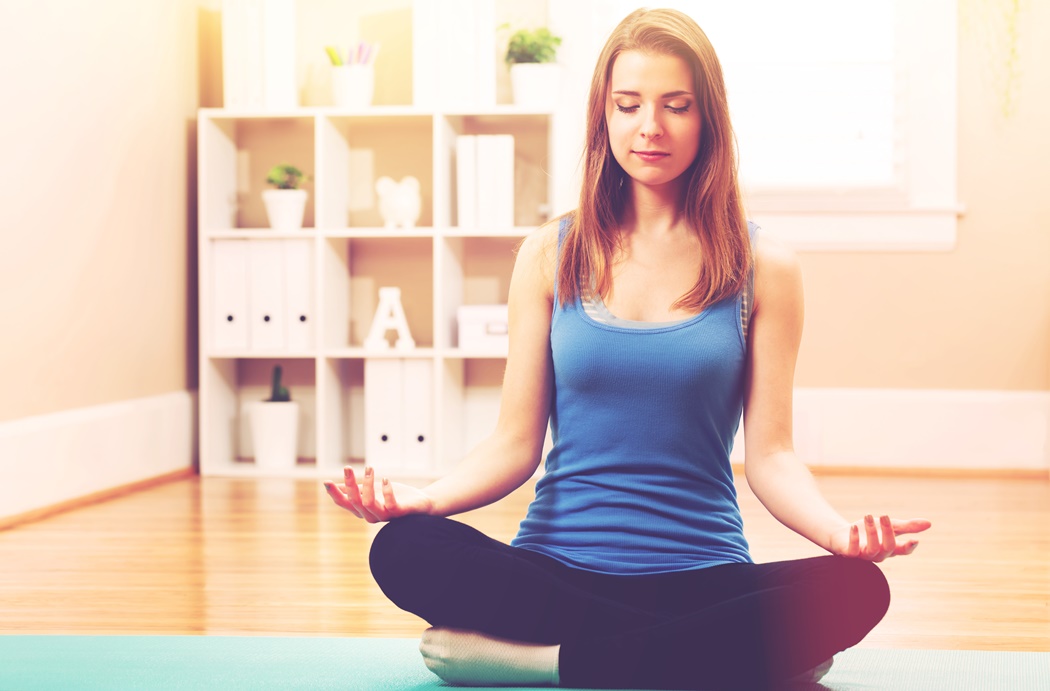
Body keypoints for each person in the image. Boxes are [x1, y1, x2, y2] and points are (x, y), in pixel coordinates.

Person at [324, 8, 931, 690]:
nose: (651, 127)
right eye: (629, 105)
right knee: (403, 548)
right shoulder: (549, 254)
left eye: (677, 106)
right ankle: (714, 659)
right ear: (602, 117)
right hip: (554, 569)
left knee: (857, 589)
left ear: (709, 120)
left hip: (701, 576)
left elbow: (771, 454)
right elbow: (513, 443)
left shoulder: (767, 266)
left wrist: (839, 534)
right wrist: (423, 500)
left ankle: (543, 661)